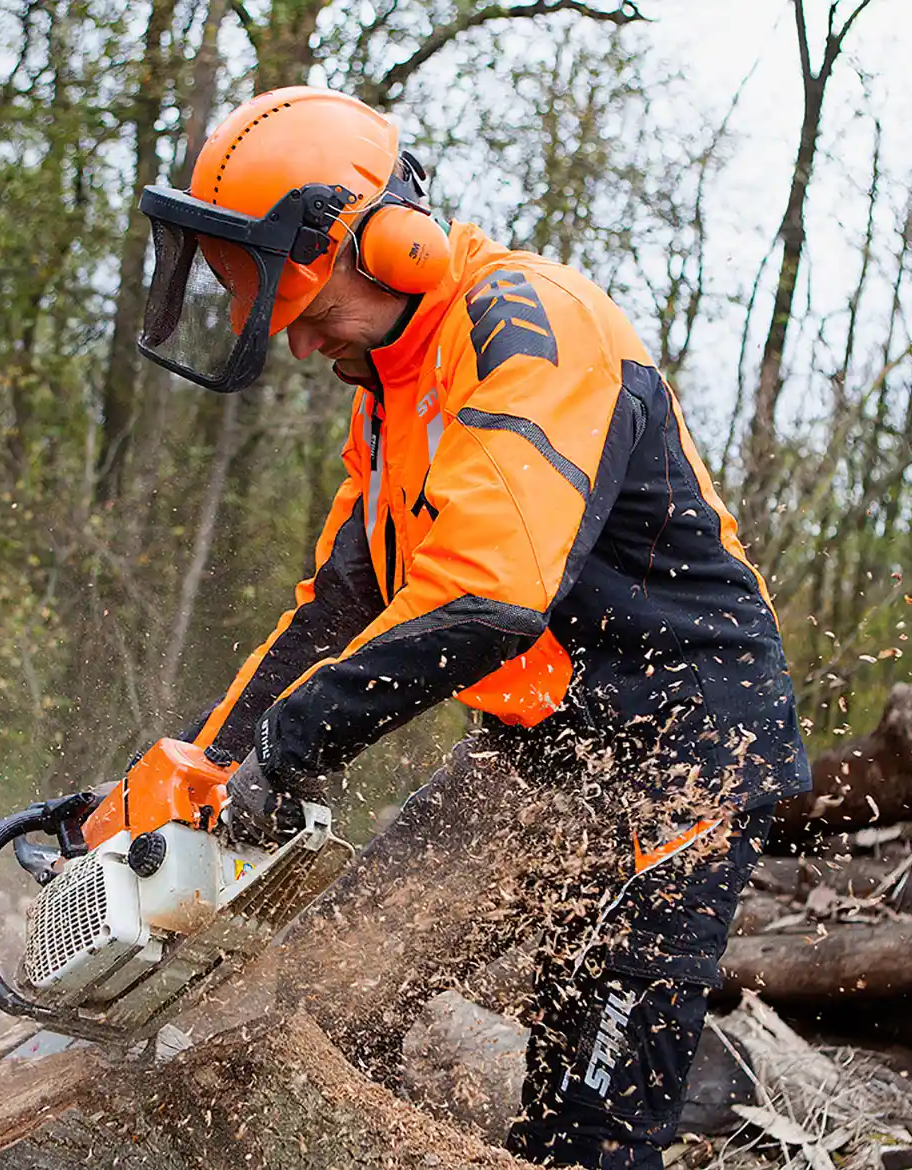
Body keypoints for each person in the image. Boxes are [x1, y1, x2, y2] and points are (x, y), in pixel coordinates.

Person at [132, 85, 811, 1170]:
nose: (302, 348)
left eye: (307, 312)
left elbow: (487, 596)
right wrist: (202, 766)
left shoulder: (528, 326)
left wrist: (296, 748)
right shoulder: (394, 385)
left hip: (679, 752)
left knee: (586, 1122)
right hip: (543, 746)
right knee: (334, 982)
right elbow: (341, 603)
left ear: (391, 247)